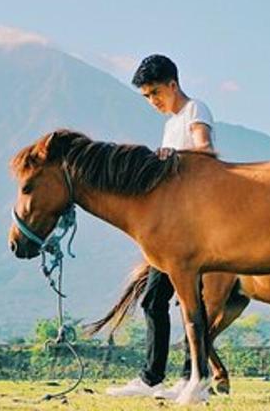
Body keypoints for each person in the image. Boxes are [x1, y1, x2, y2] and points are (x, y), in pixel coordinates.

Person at [106, 54, 216, 399]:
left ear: (173, 84)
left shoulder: (195, 110)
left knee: (189, 302)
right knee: (155, 299)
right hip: (171, 229)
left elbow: (207, 151)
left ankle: (189, 378)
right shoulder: (170, 124)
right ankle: (155, 377)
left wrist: (174, 157)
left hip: (193, 224)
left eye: (156, 93)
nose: (153, 101)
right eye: (147, 97)